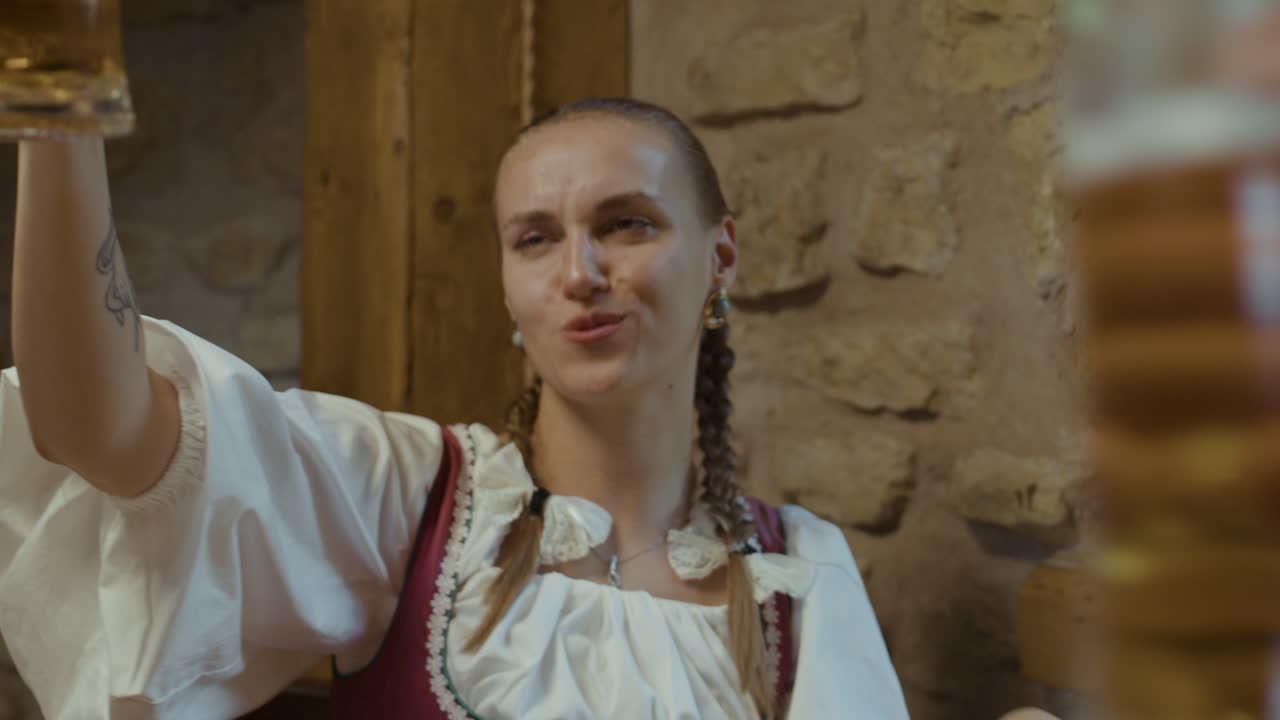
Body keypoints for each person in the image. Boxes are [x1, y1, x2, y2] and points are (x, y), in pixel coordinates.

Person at [0, 97, 913, 719]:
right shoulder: (404, 499)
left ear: (721, 258)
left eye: (628, 223)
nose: (579, 272)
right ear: (509, 288)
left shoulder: (800, 573)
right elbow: (94, 431)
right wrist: (61, 102)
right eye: (536, 238)